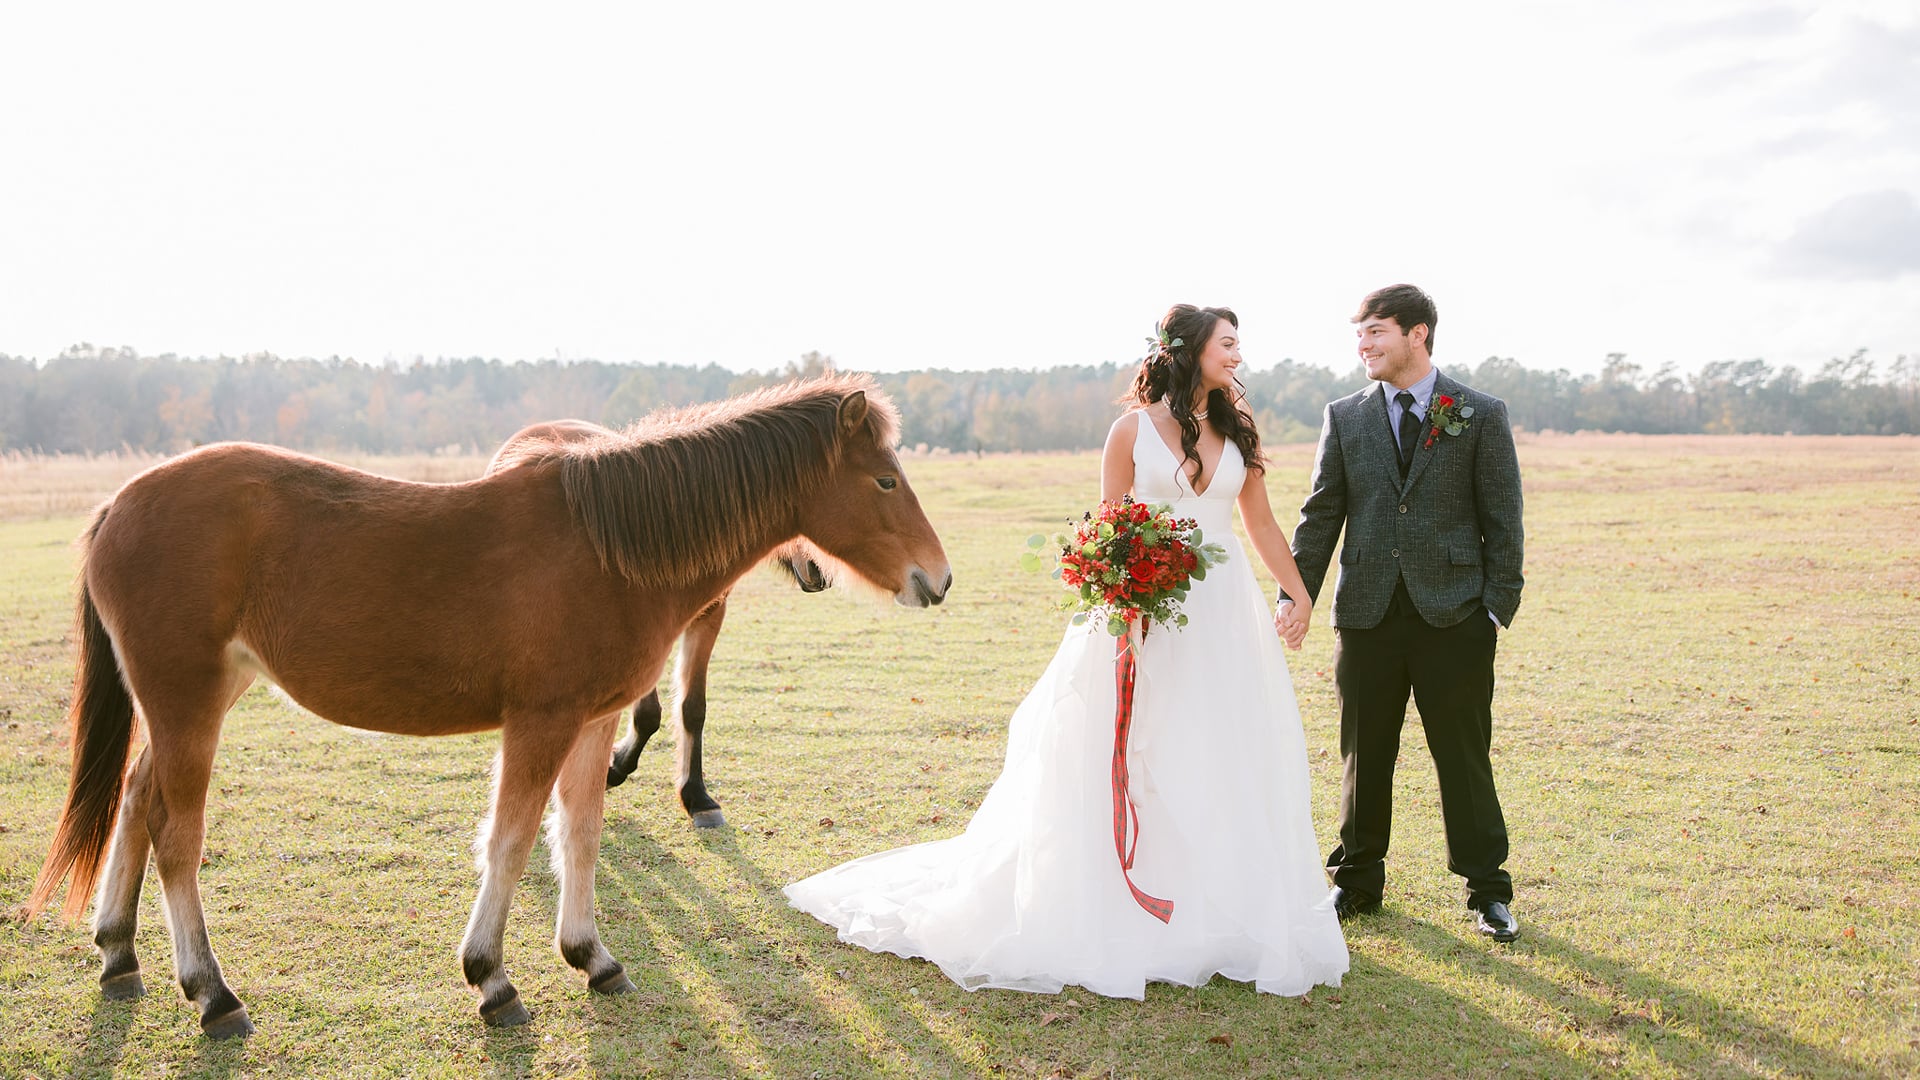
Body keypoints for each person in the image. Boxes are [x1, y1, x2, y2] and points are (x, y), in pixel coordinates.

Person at [785, 305, 1349, 999]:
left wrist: (1297, 594)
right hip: (1145, 610)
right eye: (1228, 344)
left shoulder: (1239, 430)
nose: (1238, 356)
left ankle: (1218, 905)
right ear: (1192, 351)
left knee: (1221, 744)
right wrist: (1124, 603)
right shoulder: (1131, 431)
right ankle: (1123, 901)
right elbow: (1111, 525)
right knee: (1139, 744)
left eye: (1238, 345)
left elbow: (1258, 522)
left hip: (1223, 606)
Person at [1282, 284, 1525, 941]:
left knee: (1463, 756)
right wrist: (1295, 593)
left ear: (1418, 334)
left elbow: (1505, 519)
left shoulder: (1479, 413)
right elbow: (1322, 513)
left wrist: (1495, 609)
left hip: (1456, 617)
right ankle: (1356, 882)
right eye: (1359, 335)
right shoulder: (1346, 415)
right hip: (1366, 614)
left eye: (1376, 333)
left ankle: (1488, 893)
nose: (1364, 345)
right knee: (1364, 754)